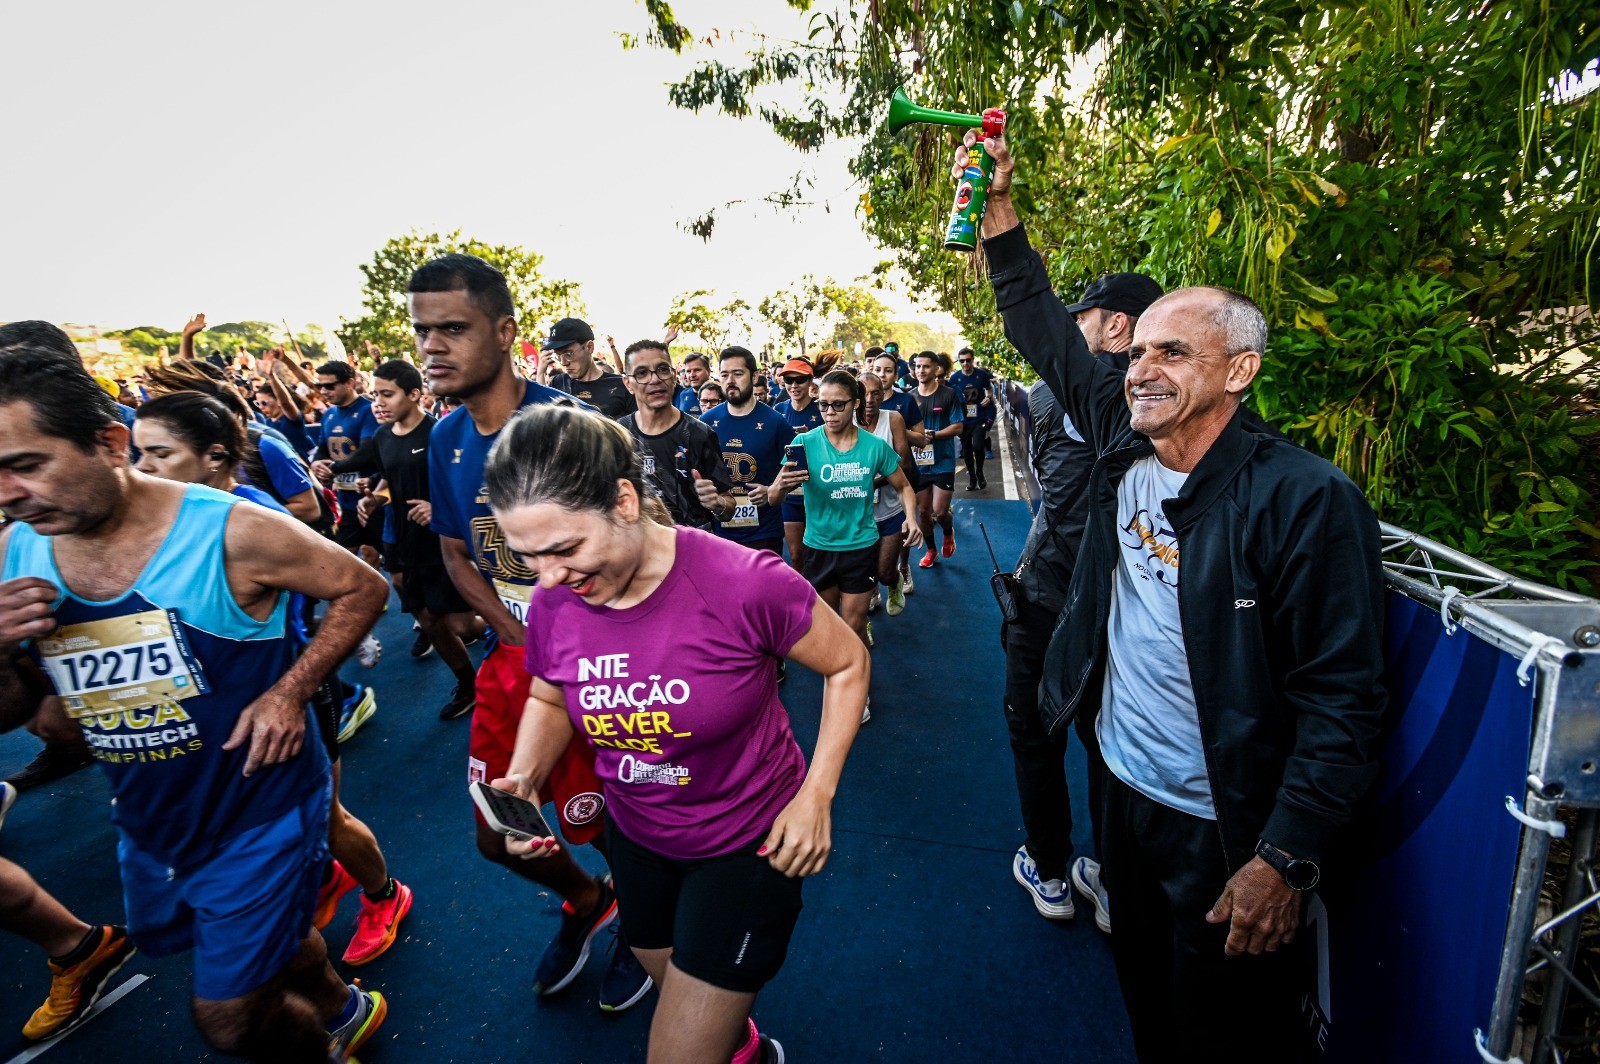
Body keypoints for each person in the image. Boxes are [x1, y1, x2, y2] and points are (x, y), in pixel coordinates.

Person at [967, 126, 1389, 1060]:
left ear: (1239, 371)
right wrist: (999, 213)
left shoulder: (1304, 499)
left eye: (1174, 353)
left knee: (1224, 1035)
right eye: (1138, 352)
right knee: (1146, 1007)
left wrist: (1284, 857)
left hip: (1226, 825)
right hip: (1122, 791)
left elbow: (1344, 698)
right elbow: (1039, 324)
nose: (1142, 370)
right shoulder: (1125, 442)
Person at [0, 347, 391, 1060]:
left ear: (109, 442)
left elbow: (362, 586)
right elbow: (30, 716)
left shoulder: (232, 527)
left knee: (230, 1020)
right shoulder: (15, 550)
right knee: (263, 948)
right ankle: (344, 1008)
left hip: (260, 806)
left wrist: (289, 692)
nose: (8, 493)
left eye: (26, 464)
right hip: (151, 818)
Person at [482, 403, 871, 1064]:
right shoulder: (555, 598)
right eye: (529, 557)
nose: (548, 578)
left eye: (566, 549)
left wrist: (816, 795)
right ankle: (745, 1049)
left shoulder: (744, 581)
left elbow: (848, 664)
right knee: (672, 984)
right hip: (636, 836)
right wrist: (525, 774)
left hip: (749, 842)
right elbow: (550, 692)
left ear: (624, 501)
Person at [414, 252, 651, 1011]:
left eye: (453, 329)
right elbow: (456, 553)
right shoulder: (446, 439)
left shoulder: (572, 427)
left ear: (505, 332)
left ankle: (646, 924)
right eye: (423, 331)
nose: (432, 347)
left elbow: (645, 545)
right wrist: (510, 630)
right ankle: (588, 900)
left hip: (599, 668)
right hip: (514, 663)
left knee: (618, 822)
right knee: (498, 834)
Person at [133, 391, 417, 968]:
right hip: (220, 709)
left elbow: (356, 587)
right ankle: (324, 880)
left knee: (327, 817)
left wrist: (300, 682)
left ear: (215, 457)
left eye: (160, 453)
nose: (143, 469)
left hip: (293, 688)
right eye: (138, 454)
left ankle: (384, 894)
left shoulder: (252, 516)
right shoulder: (157, 523)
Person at [1003, 272, 1165, 929]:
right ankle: (1110, 877)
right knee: (1109, 745)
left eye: (1082, 319)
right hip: (1123, 609)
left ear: (1117, 325)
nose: (1071, 332)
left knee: (1035, 734)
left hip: (1054, 598)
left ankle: (1049, 867)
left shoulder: (1068, 392)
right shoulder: (1179, 409)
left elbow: (1050, 483)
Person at [771, 370, 921, 723]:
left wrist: (911, 519)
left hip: (860, 546)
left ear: (855, 404)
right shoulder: (804, 444)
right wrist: (779, 486)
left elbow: (904, 486)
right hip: (819, 548)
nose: (829, 412)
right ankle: (837, 677)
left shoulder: (873, 447)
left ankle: (857, 689)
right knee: (829, 628)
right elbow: (776, 497)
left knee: (852, 625)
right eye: (823, 405)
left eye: (838, 405)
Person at [333, 360, 479, 720]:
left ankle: (506, 628)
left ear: (415, 395)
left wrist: (438, 509)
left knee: (461, 626)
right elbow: (389, 484)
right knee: (430, 621)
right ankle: (469, 685)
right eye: (375, 395)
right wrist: (373, 499)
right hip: (403, 540)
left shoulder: (439, 434)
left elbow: (468, 489)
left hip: (442, 543)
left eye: (387, 394)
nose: (378, 403)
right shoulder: (382, 437)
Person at [619, 341, 736, 532]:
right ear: (628, 383)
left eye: (662, 369)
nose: (655, 379)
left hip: (693, 544)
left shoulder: (699, 434)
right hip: (639, 544)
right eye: (642, 373)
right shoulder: (619, 435)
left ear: (673, 376)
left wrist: (716, 502)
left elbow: (729, 507)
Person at [700, 346, 794, 556]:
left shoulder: (775, 422)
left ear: (754, 376)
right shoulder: (706, 422)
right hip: (720, 534)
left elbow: (797, 467)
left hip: (764, 533)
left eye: (737, 374)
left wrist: (773, 490)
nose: (730, 381)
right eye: (724, 375)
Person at [855, 372, 915, 619]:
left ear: (883, 396)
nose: (869, 399)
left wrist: (871, 483)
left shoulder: (893, 419)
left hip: (890, 510)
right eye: (864, 393)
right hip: (858, 513)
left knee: (884, 572)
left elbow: (905, 464)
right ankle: (871, 595)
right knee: (862, 571)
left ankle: (894, 581)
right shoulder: (846, 421)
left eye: (875, 393)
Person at [771, 354, 831, 572]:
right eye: (789, 380)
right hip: (791, 493)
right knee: (796, 555)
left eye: (800, 380)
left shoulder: (822, 409)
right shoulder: (778, 410)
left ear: (810, 381)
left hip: (820, 491)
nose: (794, 385)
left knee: (822, 554)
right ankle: (803, 592)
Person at [909, 351, 964, 568]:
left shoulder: (948, 394)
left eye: (926, 366)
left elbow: (958, 427)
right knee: (923, 512)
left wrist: (933, 435)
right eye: (918, 366)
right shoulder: (910, 397)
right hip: (919, 464)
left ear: (936, 369)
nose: (921, 370)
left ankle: (948, 532)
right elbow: (902, 428)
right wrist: (914, 437)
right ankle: (931, 550)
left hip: (943, 461)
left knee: (940, 512)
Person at [543, 317, 637, 419]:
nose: (563, 362)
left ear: (589, 347)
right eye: (558, 355)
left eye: (569, 353)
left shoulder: (622, 387)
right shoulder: (558, 383)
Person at [673, 352, 713, 418]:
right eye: (688, 371)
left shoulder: (721, 394)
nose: (692, 375)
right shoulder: (683, 394)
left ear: (708, 371)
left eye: (697, 370)